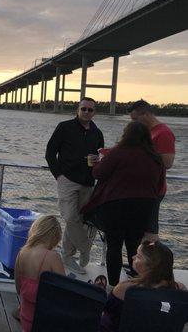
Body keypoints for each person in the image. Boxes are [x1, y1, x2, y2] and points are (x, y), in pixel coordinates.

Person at [82, 121, 165, 287]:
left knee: (114, 246)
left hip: (116, 206)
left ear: (126, 135)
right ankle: (136, 283)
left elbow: (99, 173)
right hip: (144, 207)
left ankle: (114, 286)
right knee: (135, 247)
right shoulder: (155, 157)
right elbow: (159, 184)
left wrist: (97, 163)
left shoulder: (117, 152)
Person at [45, 97, 104, 274]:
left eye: (90, 110)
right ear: (77, 110)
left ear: (94, 113)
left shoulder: (97, 133)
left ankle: (67, 257)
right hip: (67, 180)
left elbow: (101, 157)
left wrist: (97, 161)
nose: (86, 112)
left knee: (79, 220)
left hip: (87, 182)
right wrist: (59, 175)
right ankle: (85, 248)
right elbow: (50, 153)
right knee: (70, 217)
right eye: (83, 109)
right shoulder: (64, 127)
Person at [100, 241, 186, 332]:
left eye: (138, 256)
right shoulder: (179, 290)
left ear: (151, 266)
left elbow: (106, 309)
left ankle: (98, 288)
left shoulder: (126, 289)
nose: (133, 257)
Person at [128, 99, 175, 240]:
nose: (134, 123)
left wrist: (141, 155)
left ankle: (152, 260)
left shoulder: (163, 133)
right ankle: (141, 259)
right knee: (139, 227)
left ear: (146, 114)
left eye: (136, 119)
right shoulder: (148, 132)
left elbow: (168, 162)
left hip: (153, 189)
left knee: (149, 229)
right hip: (142, 189)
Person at [14, 215, 65, 332]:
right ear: (54, 236)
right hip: (44, 322)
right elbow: (63, 294)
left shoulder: (21, 253)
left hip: (26, 320)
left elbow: (18, 289)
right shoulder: (53, 257)